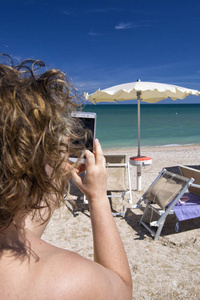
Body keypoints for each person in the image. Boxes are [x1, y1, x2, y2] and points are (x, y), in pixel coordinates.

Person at [0, 55, 132, 299]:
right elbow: (122, 289)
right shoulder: (71, 280)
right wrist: (98, 198)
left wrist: (56, 170)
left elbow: (24, 228)